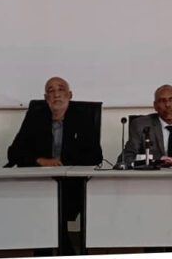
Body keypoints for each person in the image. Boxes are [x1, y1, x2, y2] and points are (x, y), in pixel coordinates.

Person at [7, 76, 103, 255]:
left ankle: (54, 252)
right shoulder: (35, 118)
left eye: (61, 89)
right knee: (43, 211)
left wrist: (62, 162)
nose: (56, 94)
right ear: (46, 98)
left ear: (70, 95)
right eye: (51, 91)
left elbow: (95, 156)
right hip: (39, 184)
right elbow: (14, 152)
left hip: (73, 186)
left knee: (52, 214)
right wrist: (40, 161)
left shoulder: (82, 118)